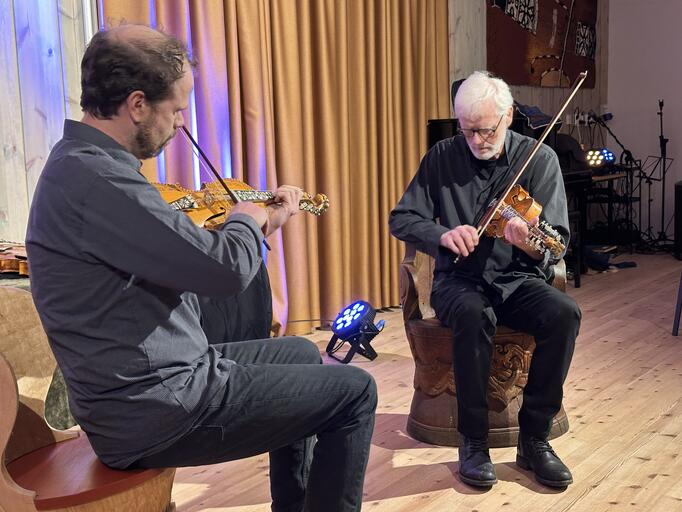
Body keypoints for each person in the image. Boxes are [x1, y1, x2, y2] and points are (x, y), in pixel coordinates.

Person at [26, 25, 376, 512]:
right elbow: (226, 271)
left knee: (298, 350)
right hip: (153, 409)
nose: (182, 124)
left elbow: (191, 252)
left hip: (155, 384)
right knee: (355, 391)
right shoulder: (99, 181)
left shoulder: (84, 165)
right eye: (178, 109)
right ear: (137, 104)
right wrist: (245, 219)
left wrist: (264, 220)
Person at [389, 71, 580, 489]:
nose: (476, 140)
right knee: (474, 314)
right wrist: (441, 233)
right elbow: (401, 218)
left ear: (508, 116)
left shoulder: (538, 160)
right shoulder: (442, 157)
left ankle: (534, 440)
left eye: (485, 130)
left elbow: (556, 245)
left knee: (565, 314)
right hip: (460, 280)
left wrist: (530, 242)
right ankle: (472, 443)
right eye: (467, 130)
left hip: (518, 278)